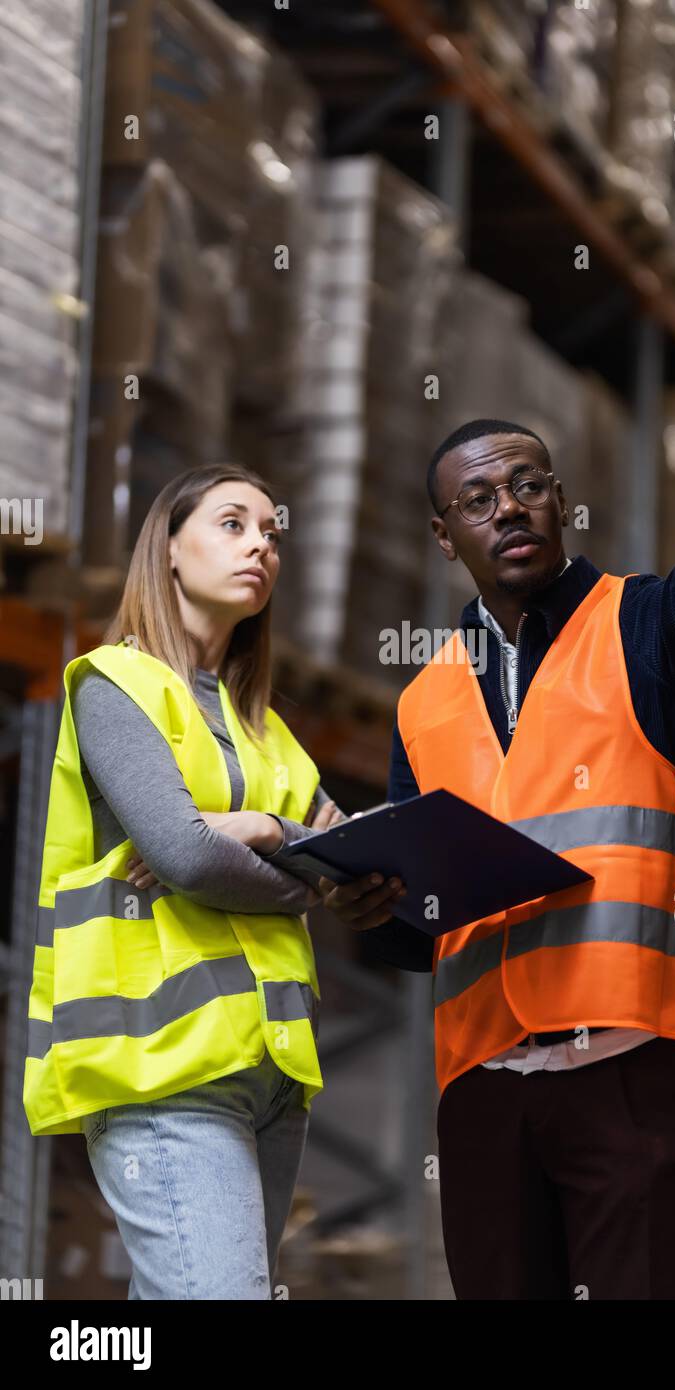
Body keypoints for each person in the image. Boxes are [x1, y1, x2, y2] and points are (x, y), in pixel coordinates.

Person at [321, 331, 675, 1300]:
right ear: (445, 536)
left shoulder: (648, 626)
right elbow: (422, 920)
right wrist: (372, 900)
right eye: (478, 499)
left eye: (528, 484)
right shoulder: (424, 700)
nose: (510, 507)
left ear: (561, 501)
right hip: (483, 1091)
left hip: (637, 1072)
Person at [23, 463, 345, 1300]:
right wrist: (293, 856)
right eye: (233, 524)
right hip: (160, 1072)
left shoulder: (267, 734)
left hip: (272, 1077)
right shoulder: (115, 685)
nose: (261, 547)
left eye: (272, 533)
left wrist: (265, 830)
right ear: (167, 549)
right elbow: (188, 857)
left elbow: (355, 866)